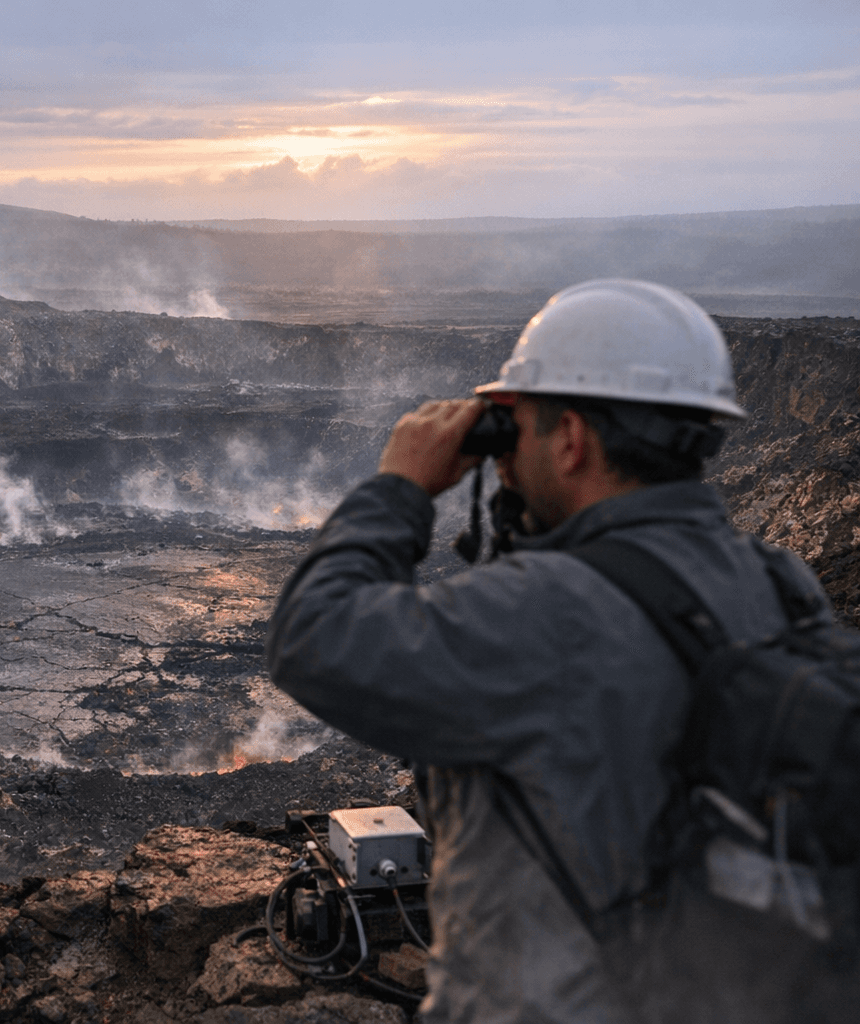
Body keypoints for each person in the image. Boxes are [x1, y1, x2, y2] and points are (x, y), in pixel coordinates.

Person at [266, 280, 853, 1022]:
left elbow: (314, 636)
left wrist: (400, 488)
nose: (505, 460)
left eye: (519, 429)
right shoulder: (781, 581)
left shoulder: (548, 610)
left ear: (571, 439)